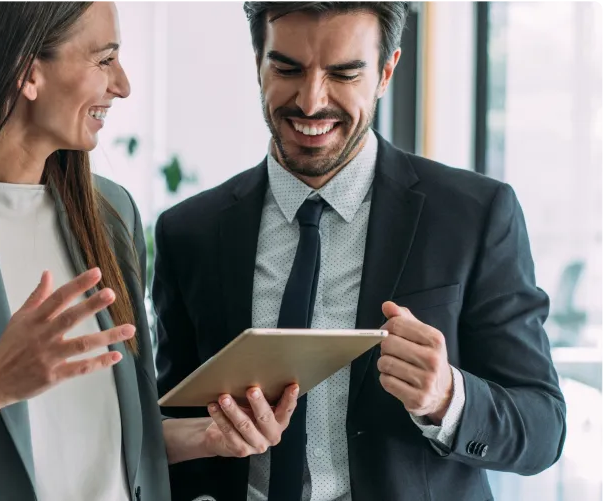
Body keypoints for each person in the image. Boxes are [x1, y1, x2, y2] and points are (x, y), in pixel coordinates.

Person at [153, 1, 567, 500]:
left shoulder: (475, 215)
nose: (310, 101)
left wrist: (448, 398)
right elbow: (171, 422)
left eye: (344, 73)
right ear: (258, 63)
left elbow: (543, 427)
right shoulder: (188, 232)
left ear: (386, 71)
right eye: (287, 68)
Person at [0, 1, 297, 500]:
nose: (122, 85)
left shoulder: (109, 214)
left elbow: (99, 440)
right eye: (104, 60)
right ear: (26, 72)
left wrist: (205, 436)